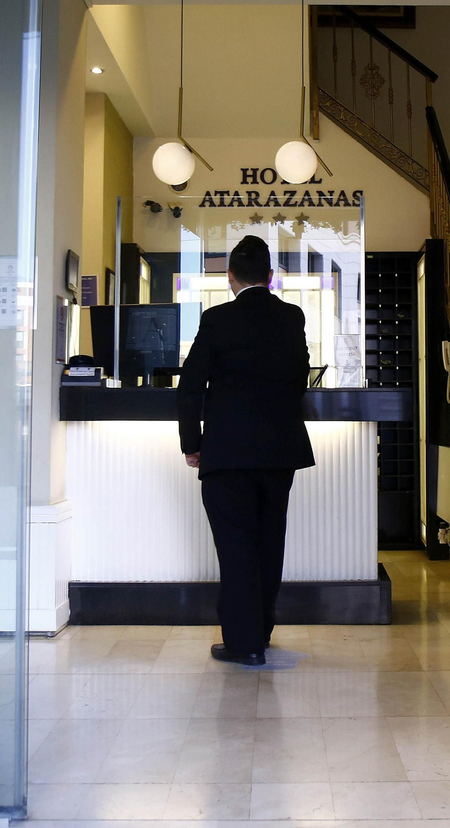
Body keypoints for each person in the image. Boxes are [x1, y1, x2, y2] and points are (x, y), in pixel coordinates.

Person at [178, 235, 315, 666]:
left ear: (230, 277)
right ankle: (262, 631)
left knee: (236, 548)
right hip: (279, 452)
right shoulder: (292, 317)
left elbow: (189, 386)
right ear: (270, 277)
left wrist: (192, 444)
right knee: (269, 543)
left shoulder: (217, 319)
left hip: (228, 453)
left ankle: (244, 644)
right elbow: (299, 376)